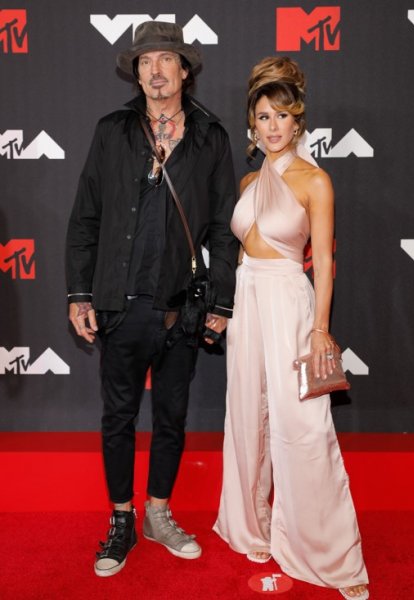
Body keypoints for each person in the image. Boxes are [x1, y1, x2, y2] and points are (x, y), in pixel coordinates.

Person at [66, 21, 238, 577]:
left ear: (184, 70)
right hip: (120, 304)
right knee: (118, 416)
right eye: (145, 62)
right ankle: (122, 518)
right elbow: (86, 216)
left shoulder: (211, 136)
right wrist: (79, 294)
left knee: (171, 416)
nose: (155, 70)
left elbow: (223, 228)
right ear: (136, 74)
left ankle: (158, 514)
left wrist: (221, 301)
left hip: (181, 307)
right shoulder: (112, 131)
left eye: (166, 59)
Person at [213, 57, 369, 600]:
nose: (273, 125)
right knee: (246, 412)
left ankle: (331, 554)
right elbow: (240, 251)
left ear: (298, 122)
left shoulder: (315, 181)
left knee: (304, 425)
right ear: (251, 124)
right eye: (263, 116)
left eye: (282, 115)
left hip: (289, 302)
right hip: (248, 298)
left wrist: (320, 329)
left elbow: (322, 261)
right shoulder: (248, 180)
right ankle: (252, 525)